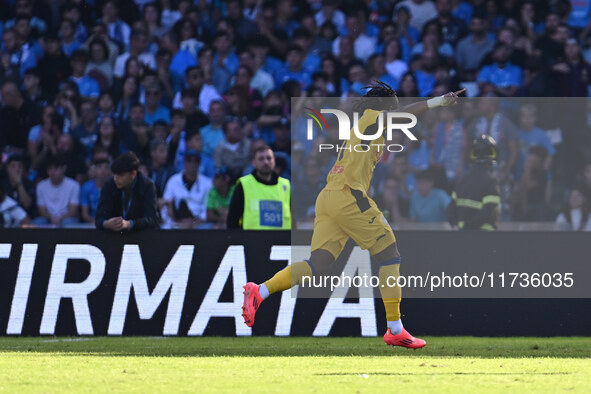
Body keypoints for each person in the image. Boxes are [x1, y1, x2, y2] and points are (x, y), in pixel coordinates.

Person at [241, 82, 462, 349]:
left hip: (329, 197)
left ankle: (260, 291)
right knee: (389, 252)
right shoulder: (373, 118)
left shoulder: (364, 124)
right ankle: (395, 328)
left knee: (319, 263)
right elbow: (406, 114)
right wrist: (439, 101)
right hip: (347, 195)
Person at [227, 145, 291, 230]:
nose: (266, 162)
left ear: (274, 161)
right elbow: (232, 220)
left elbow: (292, 219)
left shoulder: (285, 185)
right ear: (254, 163)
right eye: (261, 159)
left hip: (281, 242)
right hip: (252, 241)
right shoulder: (244, 185)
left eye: (269, 158)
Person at [447, 134, 500, 230]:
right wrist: (468, 227)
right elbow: (488, 212)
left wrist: (457, 226)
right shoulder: (491, 181)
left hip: (461, 237)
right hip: (483, 237)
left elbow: (450, 210)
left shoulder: (462, 179)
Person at [95, 152, 159, 231]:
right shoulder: (109, 184)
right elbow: (99, 218)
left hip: (142, 237)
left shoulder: (147, 186)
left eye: (120, 175)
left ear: (133, 174)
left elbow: (151, 219)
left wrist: (130, 224)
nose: (115, 179)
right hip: (114, 237)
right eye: (114, 174)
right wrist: (106, 224)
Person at [161, 150, 213, 229]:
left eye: (196, 161)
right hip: (175, 221)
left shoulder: (207, 183)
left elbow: (206, 209)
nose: (192, 164)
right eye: (189, 160)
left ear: (199, 164)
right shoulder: (173, 180)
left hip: (198, 223)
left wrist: (194, 223)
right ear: (184, 162)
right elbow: (166, 205)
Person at [34, 156, 80, 227]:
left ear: (63, 168)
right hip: (48, 218)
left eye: (56, 168)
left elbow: (73, 211)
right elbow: (42, 211)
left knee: (69, 223)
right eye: (50, 169)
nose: (52, 172)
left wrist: (60, 218)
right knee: (37, 222)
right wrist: (51, 218)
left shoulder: (74, 185)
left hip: (66, 218)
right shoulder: (41, 186)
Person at [80, 158, 111, 224]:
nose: (103, 170)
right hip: (91, 222)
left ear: (109, 171)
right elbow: (84, 214)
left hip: (110, 223)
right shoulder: (86, 187)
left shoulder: (114, 187)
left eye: (106, 167)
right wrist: (98, 222)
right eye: (99, 167)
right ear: (94, 170)